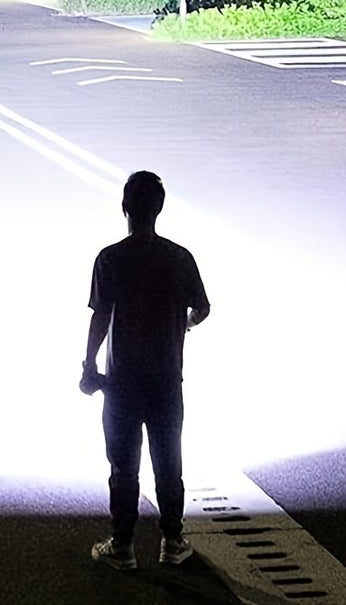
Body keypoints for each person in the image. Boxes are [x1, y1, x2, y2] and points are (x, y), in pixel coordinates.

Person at [81, 170, 210, 572]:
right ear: (159, 209)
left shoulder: (110, 258)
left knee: (123, 464)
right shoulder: (179, 258)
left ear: (125, 208)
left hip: (121, 382)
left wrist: (89, 365)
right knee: (168, 460)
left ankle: (123, 545)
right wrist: (182, 324)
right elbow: (202, 308)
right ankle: (172, 541)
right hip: (167, 380)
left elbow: (101, 318)